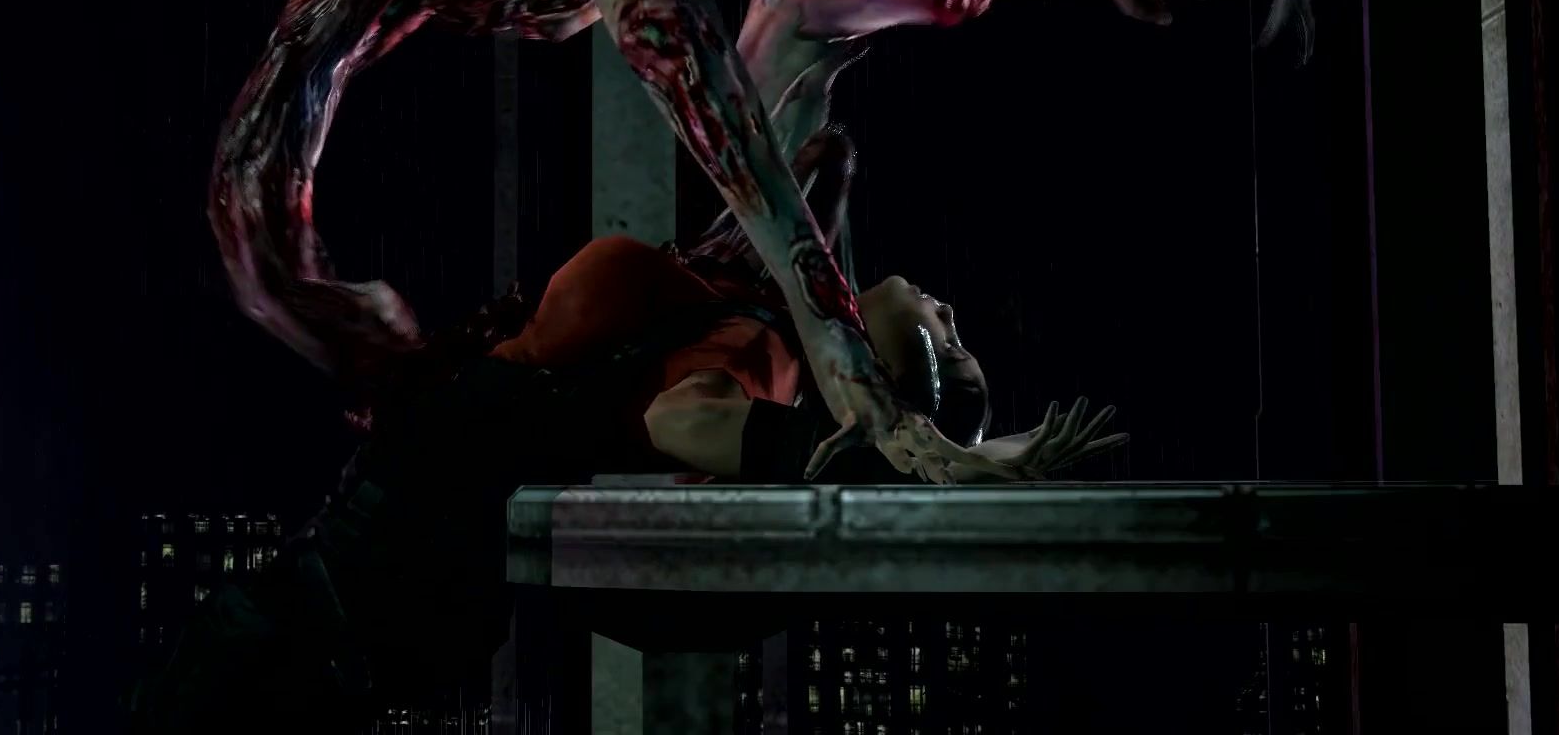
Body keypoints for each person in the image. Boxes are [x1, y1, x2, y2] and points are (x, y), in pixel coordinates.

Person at [128, 164, 1124, 731]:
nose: (946, 309)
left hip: (317, 636)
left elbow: (683, 419)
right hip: (329, 624)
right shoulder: (743, 316)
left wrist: (927, 464)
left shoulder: (760, 347)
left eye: (949, 338)